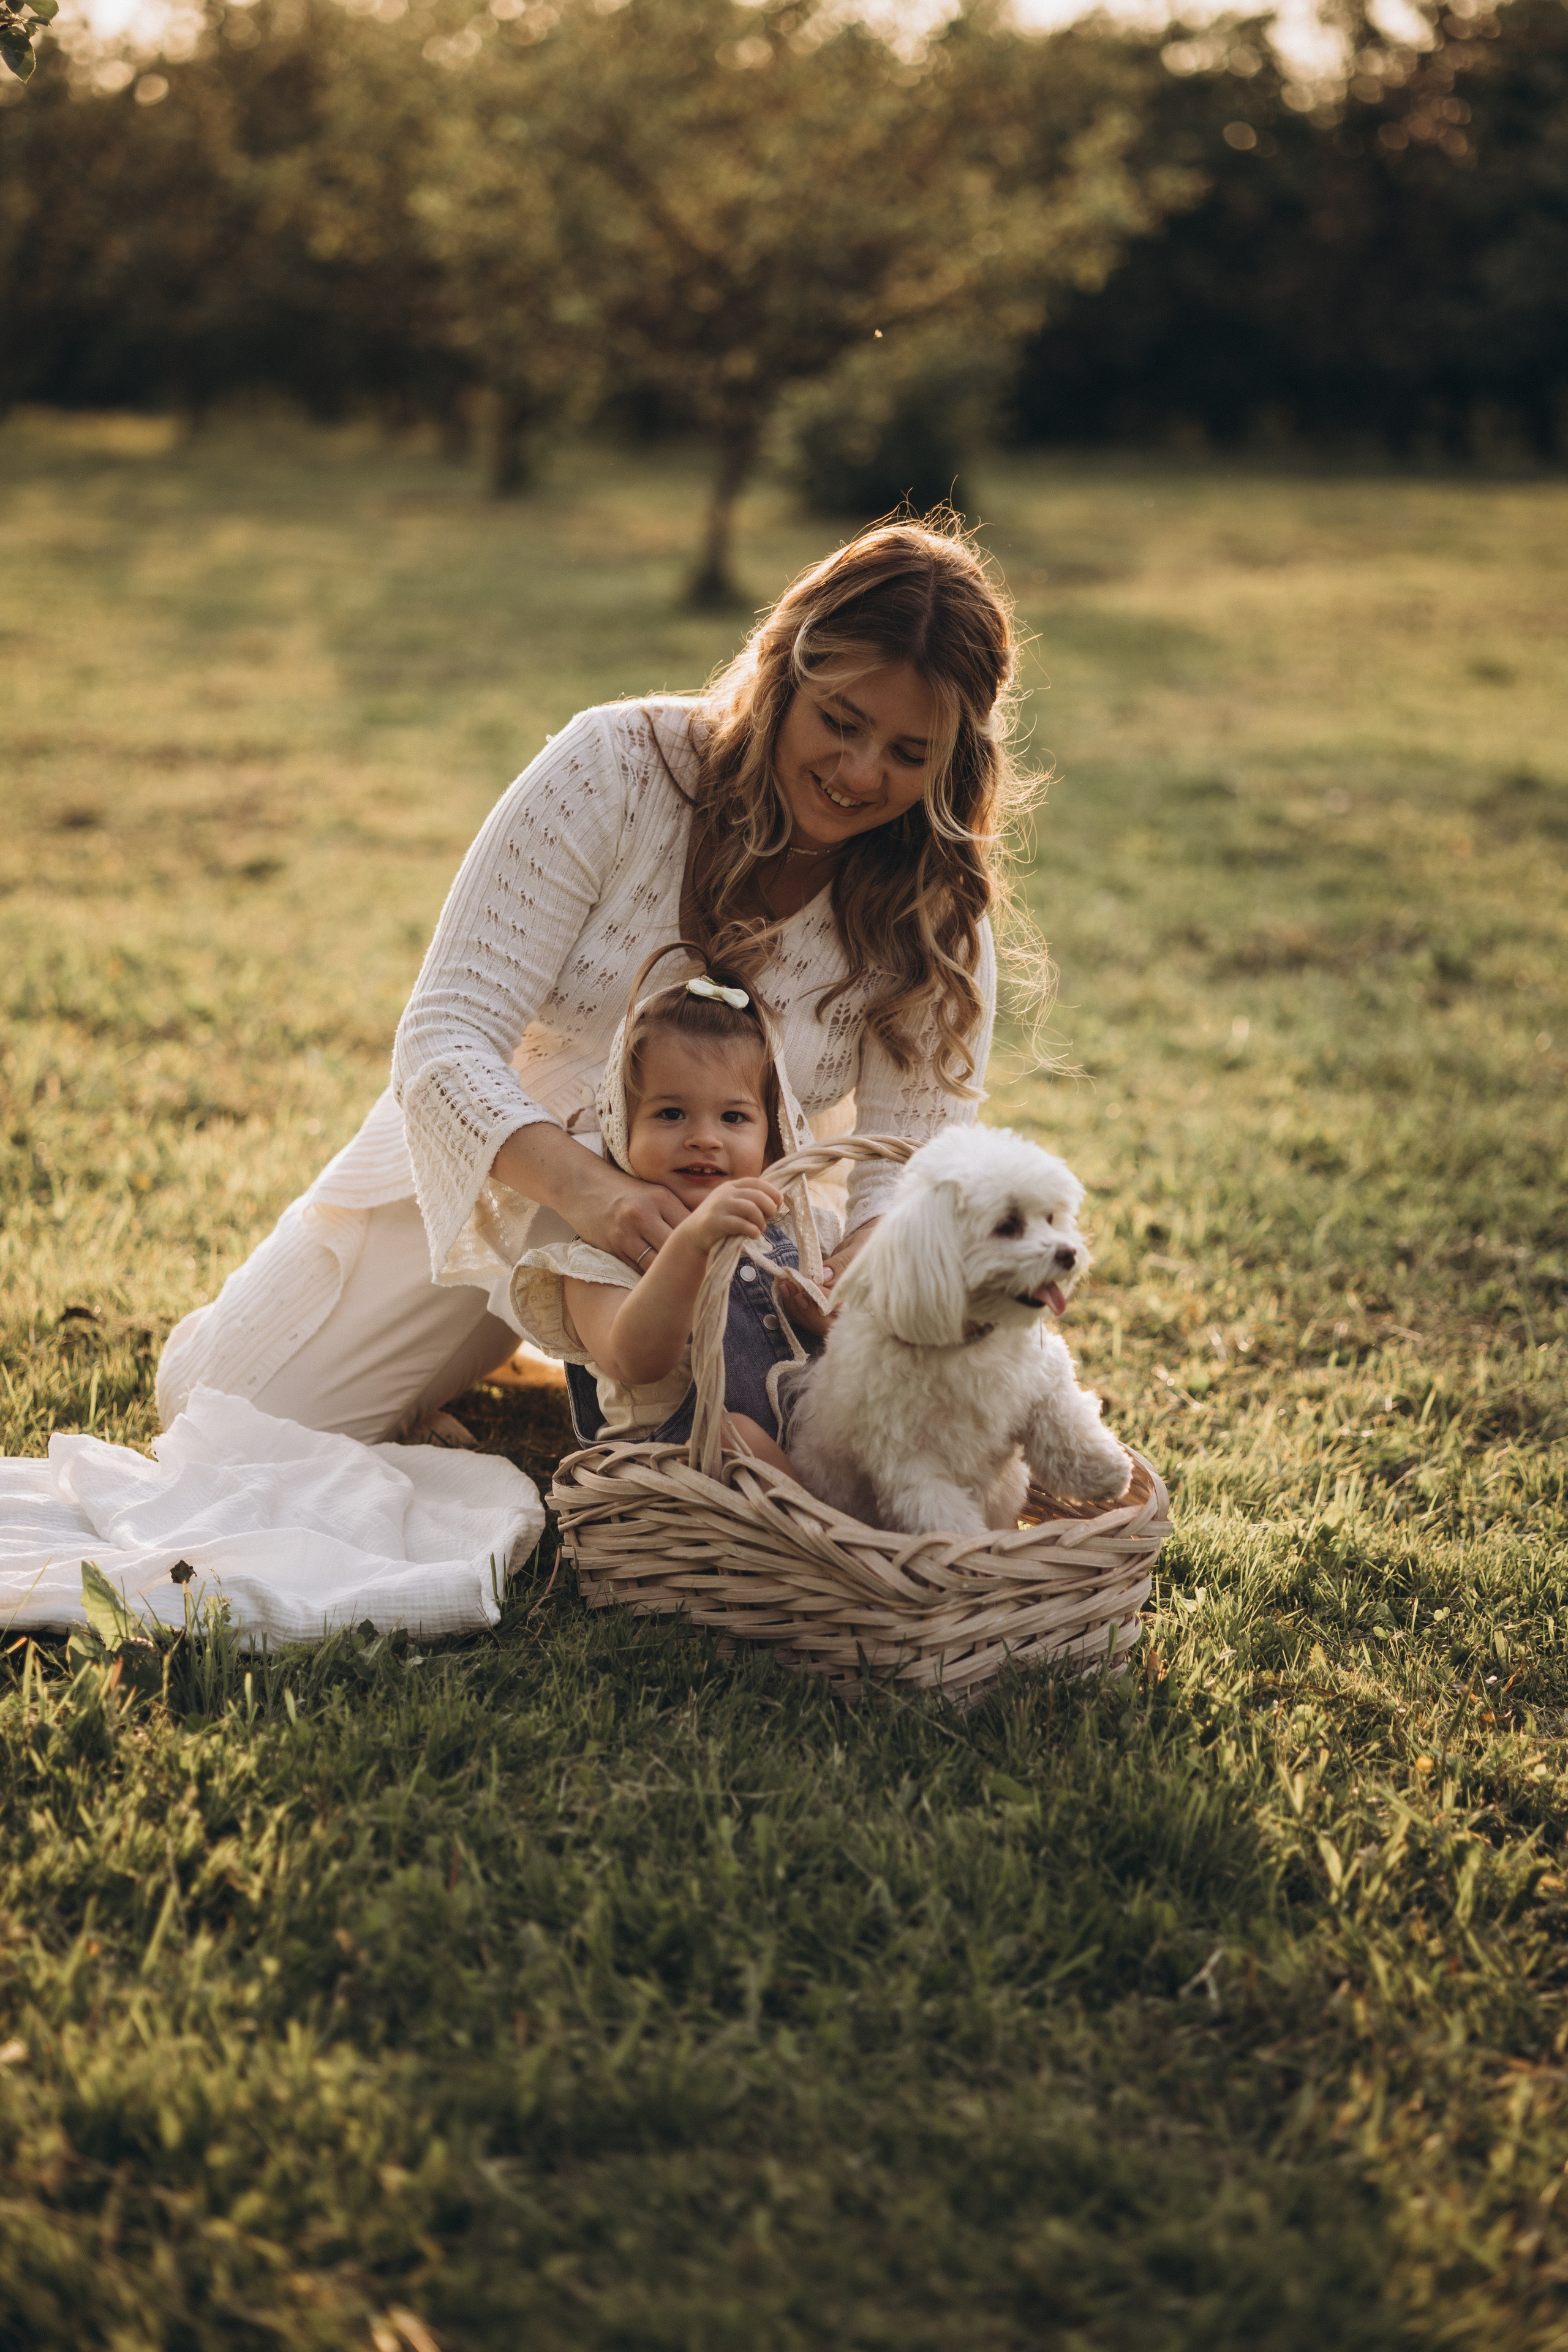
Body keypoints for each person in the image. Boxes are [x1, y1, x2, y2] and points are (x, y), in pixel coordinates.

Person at [155, 516, 1036, 1446]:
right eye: (840, 723)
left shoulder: (935, 900)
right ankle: (529, 1331)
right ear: (785, 673)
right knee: (231, 1417)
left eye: (909, 753)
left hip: (744, 1223)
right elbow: (444, 1037)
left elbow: (916, 1153)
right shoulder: (615, 767)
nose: (859, 774)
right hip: (508, 1174)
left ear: (953, 758)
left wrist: (860, 1263)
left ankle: (608, 1362)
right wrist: (594, 1194)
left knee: (830, 1449)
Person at [509, 945, 809, 1466]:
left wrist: (826, 1317)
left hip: (805, 1441)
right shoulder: (596, 1262)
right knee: (729, 1434)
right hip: (673, 1462)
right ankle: (819, 1520)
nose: (704, 1138)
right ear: (621, 1128)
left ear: (772, 1139)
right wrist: (690, 1245)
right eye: (671, 1114)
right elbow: (635, 1360)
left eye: (734, 1118)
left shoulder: (796, 1232)